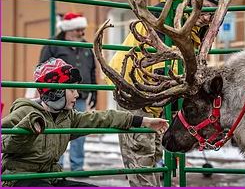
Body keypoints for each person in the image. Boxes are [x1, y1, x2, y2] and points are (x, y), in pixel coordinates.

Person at [1, 58, 169, 187]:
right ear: (56, 92)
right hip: (20, 179)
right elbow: (4, 143)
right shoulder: (24, 111)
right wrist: (27, 127)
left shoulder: (68, 117)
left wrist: (143, 121)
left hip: (51, 178)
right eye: (72, 90)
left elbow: (102, 118)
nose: (77, 95)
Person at [105, 0, 219, 186]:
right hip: (135, 90)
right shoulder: (161, 18)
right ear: (189, 1)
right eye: (204, 8)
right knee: (141, 151)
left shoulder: (198, 30)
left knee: (156, 152)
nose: (207, 16)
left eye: (212, 13)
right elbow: (154, 63)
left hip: (161, 95)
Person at [39, 12, 97, 172]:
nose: (82, 33)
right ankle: (56, 165)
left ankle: (77, 166)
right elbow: (42, 67)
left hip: (80, 96)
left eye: (83, 30)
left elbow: (92, 70)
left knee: (79, 130)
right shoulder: (53, 44)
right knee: (57, 131)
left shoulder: (86, 46)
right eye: (78, 30)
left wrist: (95, 91)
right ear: (68, 29)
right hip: (57, 97)